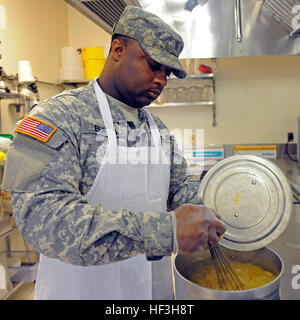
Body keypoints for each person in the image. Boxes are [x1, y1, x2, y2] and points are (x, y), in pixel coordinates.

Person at [2, 6, 225, 300]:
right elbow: (44, 221)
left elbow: (180, 188)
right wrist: (164, 232)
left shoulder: (156, 128)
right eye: (152, 65)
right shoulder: (56, 117)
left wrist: (220, 209)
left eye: (167, 72)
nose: (161, 80)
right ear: (118, 49)